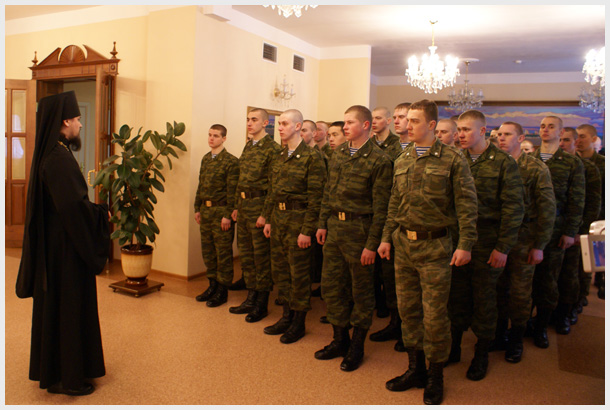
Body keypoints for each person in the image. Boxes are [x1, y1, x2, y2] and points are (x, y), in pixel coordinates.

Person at [379, 99, 478, 405]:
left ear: (432, 125)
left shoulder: (452, 159)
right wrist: (385, 238)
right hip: (404, 245)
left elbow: (467, 205)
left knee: (434, 315)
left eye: (415, 121)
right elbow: (394, 203)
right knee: (408, 311)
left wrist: (465, 244)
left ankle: (435, 376)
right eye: (407, 120)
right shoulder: (402, 158)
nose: (408, 125)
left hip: (436, 246)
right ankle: (415, 369)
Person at [16, 90, 110, 396]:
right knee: (68, 309)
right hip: (65, 252)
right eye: (78, 119)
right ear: (65, 121)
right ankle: (68, 378)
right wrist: (101, 214)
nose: (81, 124)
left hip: (57, 247)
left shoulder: (56, 153)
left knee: (58, 309)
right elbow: (73, 208)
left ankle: (60, 371)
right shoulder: (58, 159)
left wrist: (91, 211)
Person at [314, 105, 393, 372]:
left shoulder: (379, 160)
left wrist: (372, 244)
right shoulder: (338, 155)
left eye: (350, 123)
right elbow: (328, 192)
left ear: (366, 125)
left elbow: (381, 208)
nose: (345, 127)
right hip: (335, 229)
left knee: (361, 292)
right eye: (344, 123)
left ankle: (357, 345)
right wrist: (322, 223)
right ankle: (340, 340)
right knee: (332, 287)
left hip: (360, 232)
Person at [448, 110, 524, 381]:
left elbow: (513, 208)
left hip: (487, 241)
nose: (460, 134)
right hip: (458, 240)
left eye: (466, 129)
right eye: (459, 129)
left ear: (482, 131)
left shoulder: (503, 162)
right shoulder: (456, 158)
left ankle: (481, 354)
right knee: (456, 296)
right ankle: (454, 348)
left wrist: (503, 247)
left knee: (484, 300)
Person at [261, 109, 326, 343]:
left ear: (298, 126)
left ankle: (298, 322)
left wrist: (307, 230)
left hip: (299, 221)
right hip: (279, 220)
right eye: (279, 123)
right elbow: (273, 191)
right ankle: (286, 316)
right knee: (281, 271)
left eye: (285, 123)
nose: (280, 127)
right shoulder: (279, 156)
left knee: (299, 274)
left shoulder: (312, 157)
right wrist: (269, 219)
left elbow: (316, 197)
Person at [495, 121, 555, 363]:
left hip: (524, 238)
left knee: (520, 294)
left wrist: (539, 245)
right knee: (498, 290)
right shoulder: (495, 164)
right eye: (499, 134)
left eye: (508, 134)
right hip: (497, 238)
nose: (501, 138)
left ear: (520, 138)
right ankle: (499, 334)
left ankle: (516, 339)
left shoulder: (535, 168)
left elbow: (547, 209)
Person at [530, 116, 585, 348]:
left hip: (556, 230)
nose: (545, 130)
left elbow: (577, 201)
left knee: (549, 281)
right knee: (525, 281)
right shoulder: (528, 159)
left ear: (561, 132)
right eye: (542, 126)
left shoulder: (572, 163)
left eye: (551, 126)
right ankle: (526, 323)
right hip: (529, 230)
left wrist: (570, 231)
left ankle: (541, 327)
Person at [230, 108, 282, 322]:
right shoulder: (249, 146)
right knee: (246, 256)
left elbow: (274, 186)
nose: (249, 123)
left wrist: (265, 214)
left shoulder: (273, 149)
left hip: (260, 207)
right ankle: (250, 297)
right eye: (248, 120)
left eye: (254, 120)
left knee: (261, 258)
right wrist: (236, 205)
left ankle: (261, 303)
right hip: (244, 207)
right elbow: (241, 179)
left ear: (265, 123)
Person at [558, 127, 601, 326]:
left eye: (568, 140)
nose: (562, 143)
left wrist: (582, 231)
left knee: (579, 270)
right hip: (562, 227)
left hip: (585, 227)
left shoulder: (592, 167)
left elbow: (594, 203)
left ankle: (572, 307)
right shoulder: (557, 164)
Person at [194, 124, 239, 307]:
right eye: (210, 135)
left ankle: (222, 290)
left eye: (216, 136)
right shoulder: (206, 159)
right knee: (208, 252)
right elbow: (201, 185)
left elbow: (233, 190)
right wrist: (197, 208)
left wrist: (228, 215)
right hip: (206, 211)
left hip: (221, 213)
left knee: (223, 253)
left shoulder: (231, 161)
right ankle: (212, 285)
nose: (211, 138)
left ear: (224, 138)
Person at [576, 124, 605, 300]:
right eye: (577, 136)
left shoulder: (603, 164)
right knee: (576, 264)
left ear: (594, 139)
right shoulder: (573, 162)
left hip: (598, 220)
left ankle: (583, 297)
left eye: (583, 136)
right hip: (577, 218)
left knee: (592, 262)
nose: (578, 141)